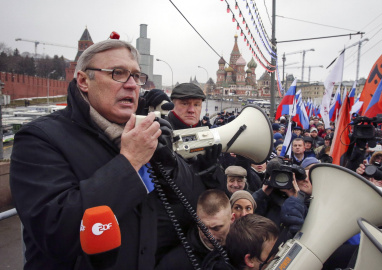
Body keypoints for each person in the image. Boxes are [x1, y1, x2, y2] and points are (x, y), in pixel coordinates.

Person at [9, 40, 198, 269]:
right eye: (118, 73)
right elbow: (56, 231)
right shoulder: (38, 139)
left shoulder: (140, 134)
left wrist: (168, 162)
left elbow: (192, 204)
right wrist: (130, 162)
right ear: (83, 81)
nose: (132, 85)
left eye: (136, 76)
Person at [157, 189, 234, 270]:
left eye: (216, 228)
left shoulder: (242, 250)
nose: (209, 236)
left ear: (232, 219)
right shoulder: (174, 262)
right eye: (203, 227)